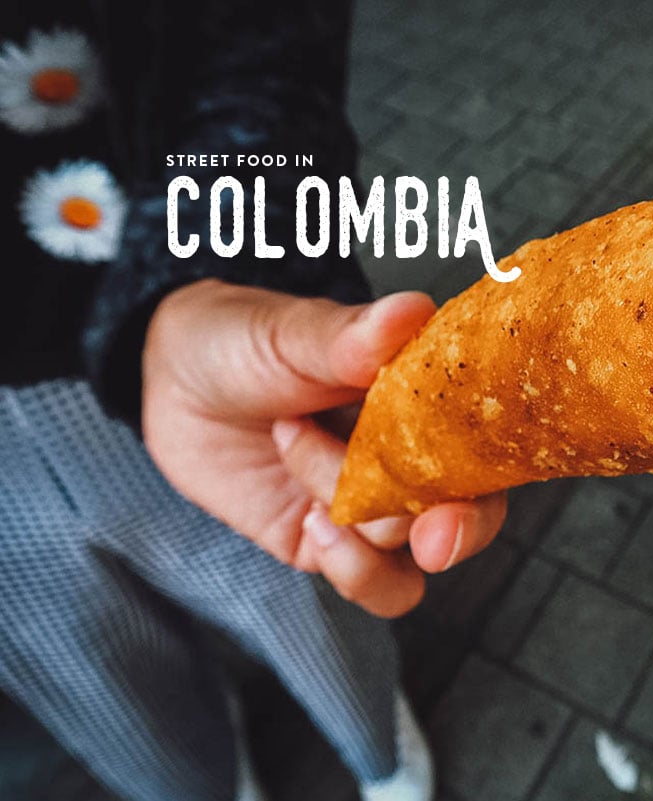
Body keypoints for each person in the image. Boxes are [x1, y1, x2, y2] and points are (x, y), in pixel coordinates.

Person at [0, 2, 503, 800]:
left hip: (180, 352)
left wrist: (203, 276)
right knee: (99, 678)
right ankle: (209, 771)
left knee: (308, 580)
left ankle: (375, 744)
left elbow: (257, 38)